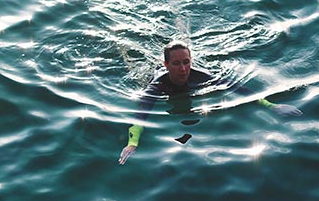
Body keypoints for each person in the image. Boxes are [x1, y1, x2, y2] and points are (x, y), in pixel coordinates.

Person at [118, 40, 302, 164]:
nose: (183, 69)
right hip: (154, 77)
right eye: (176, 64)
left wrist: (272, 106)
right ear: (166, 65)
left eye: (186, 62)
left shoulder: (202, 77)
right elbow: (140, 117)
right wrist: (132, 143)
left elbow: (239, 90)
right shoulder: (156, 87)